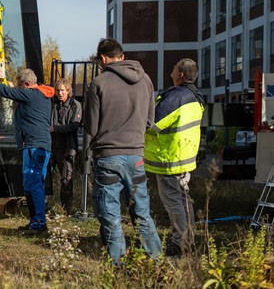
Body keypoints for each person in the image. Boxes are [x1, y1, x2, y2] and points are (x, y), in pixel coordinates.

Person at [84, 38, 162, 262]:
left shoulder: (99, 83)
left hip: (108, 156)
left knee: (111, 215)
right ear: (122, 56)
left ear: (103, 59)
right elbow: (150, 121)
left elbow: (91, 126)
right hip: (136, 156)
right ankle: (156, 261)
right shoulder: (145, 80)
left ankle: (118, 264)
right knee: (142, 213)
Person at [0, 68, 54, 235]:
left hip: (35, 147)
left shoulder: (31, 94)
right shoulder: (38, 95)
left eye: (20, 86)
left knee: (34, 184)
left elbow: (6, 92)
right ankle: (35, 221)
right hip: (36, 145)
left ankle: (39, 224)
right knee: (30, 184)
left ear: (27, 85)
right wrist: (14, 88)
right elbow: (14, 93)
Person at [144, 58, 205, 256]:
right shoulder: (194, 96)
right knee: (183, 198)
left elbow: (153, 124)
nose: (171, 69)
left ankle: (180, 243)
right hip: (183, 156)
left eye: (174, 67)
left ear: (180, 74)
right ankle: (188, 240)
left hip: (169, 158)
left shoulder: (176, 97)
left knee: (173, 201)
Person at [50, 77, 81, 213]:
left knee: (66, 180)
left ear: (68, 91)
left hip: (67, 148)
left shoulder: (75, 105)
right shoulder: (52, 104)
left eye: (62, 90)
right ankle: (44, 206)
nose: (60, 93)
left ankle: (66, 209)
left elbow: (74, 126)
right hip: (51, 146)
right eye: (57, 90)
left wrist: (55, 128)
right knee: (45, 177)